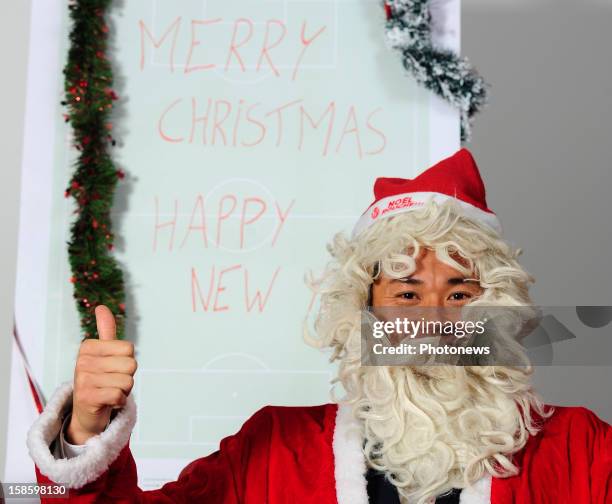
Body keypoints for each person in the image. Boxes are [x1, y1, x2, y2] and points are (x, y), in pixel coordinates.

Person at [27, 149, 612, 503]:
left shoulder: (582, 452)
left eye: (461, 293)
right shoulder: (275, 451)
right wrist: (83, 432)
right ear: (361, 312)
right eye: (406, 293)